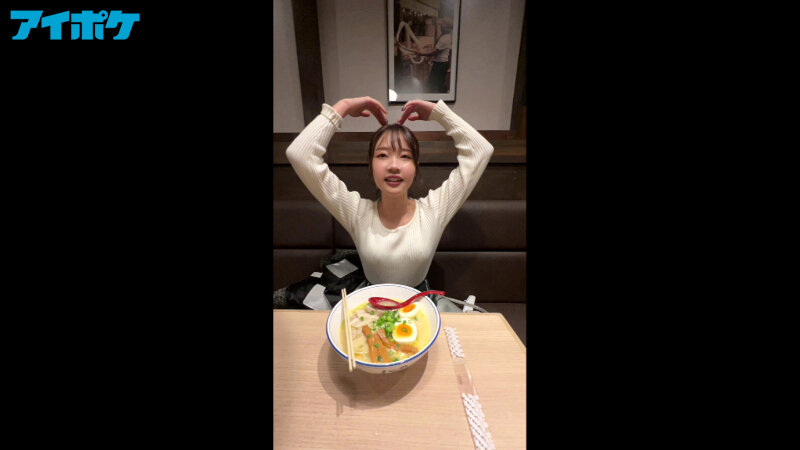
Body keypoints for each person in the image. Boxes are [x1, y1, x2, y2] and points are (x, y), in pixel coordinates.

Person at [285, 96, 493, 295]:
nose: (393, 165)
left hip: (419, 306)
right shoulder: (357, 212)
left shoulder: (434, 210)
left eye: (405, 156)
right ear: (371, 165)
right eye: (383, 155)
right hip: (369, 305)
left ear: (416, 166)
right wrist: (343, 107)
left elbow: (480, 151)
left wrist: (440, 113)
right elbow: (300, 155)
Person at [423, 17, 453, 93]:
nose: (441, 26)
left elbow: (435, 52)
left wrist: (420, 53)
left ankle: (445, 94)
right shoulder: (446, 36)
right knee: (439, 83)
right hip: (441, 63)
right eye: (441, 24)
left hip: (440, 64)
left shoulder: (445, 38)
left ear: (448, 27)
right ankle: (445, 93)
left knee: (432, 84)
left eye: (444, 24)